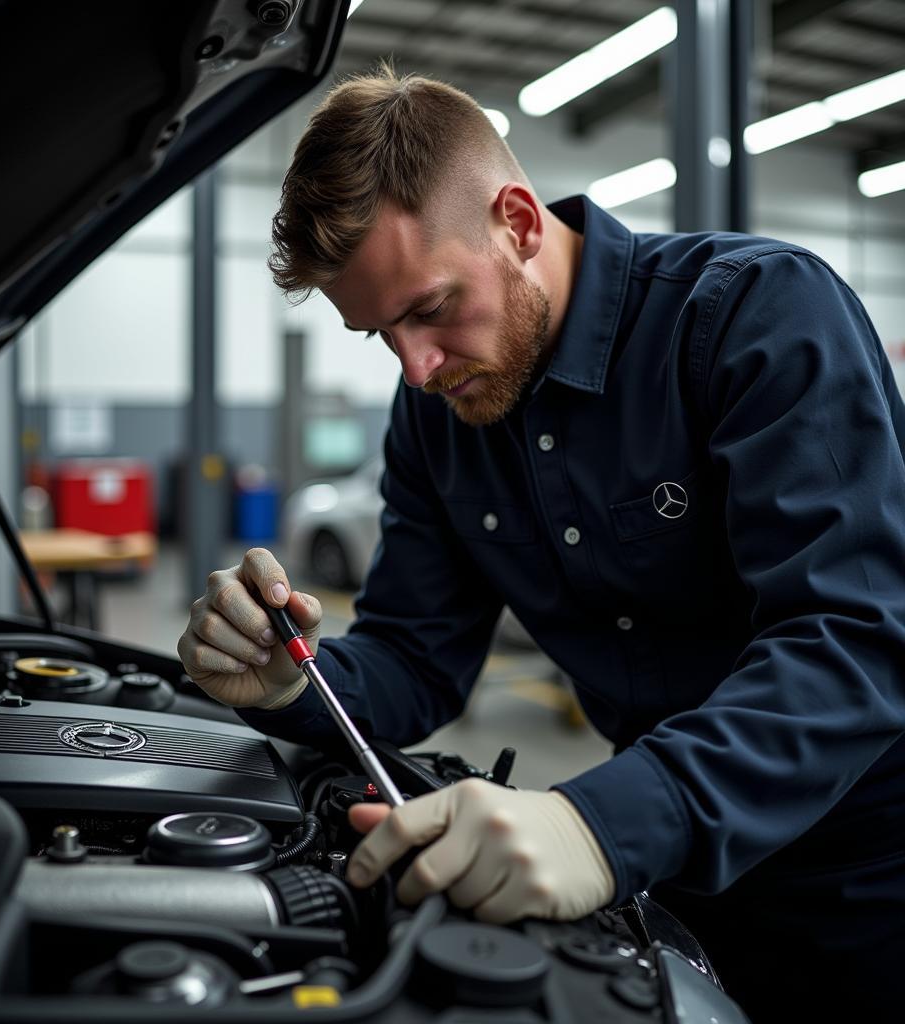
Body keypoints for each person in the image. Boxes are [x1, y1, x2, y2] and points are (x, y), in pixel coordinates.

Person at [177, 67, 905, 1021]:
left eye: (430, 308)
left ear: (517, 222)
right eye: (380, 334)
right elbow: (414, 656)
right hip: (668, 878)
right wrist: (292, 681)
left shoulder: (751, 315)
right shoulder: (434, 418)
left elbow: (853, 640)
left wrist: (599, 824)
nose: (418, 368)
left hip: (865, 877)